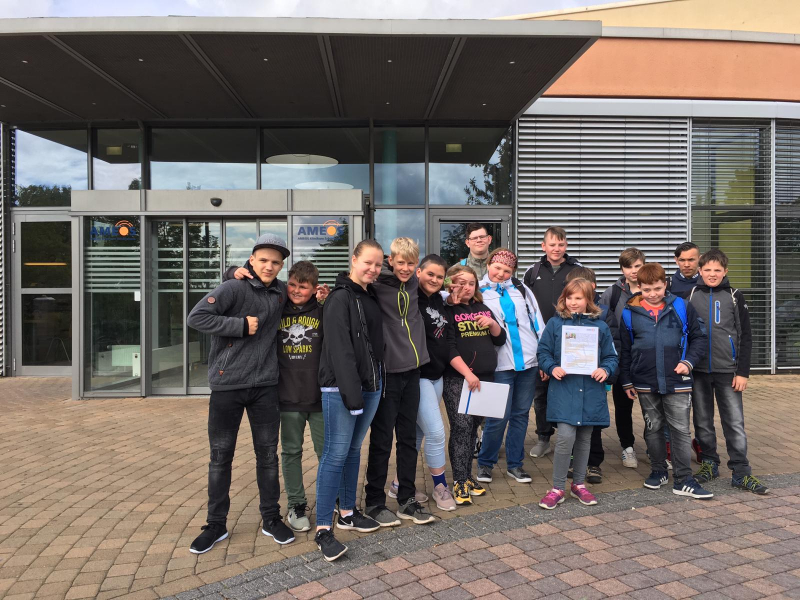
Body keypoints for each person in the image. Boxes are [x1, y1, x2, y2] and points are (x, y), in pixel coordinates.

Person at [186, 233, 294, 554]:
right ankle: (215, 525)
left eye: (276, 262)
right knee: (220, 458)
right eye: (263, 260)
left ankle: (271, 519)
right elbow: (196, 317)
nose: (269, 266)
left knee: (268, 457)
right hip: (227, 386)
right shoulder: (234, 287)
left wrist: (322, 294)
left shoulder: (281, 292)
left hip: (265, 387)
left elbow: (303, 299)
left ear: (281, 266)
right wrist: (239, 326)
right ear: (252, 260)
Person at [314, 239, 385, 562]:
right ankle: (322, 529)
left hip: (371, 386)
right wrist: (352, 394)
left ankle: (347, 512)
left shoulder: (370, 295)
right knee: (335, 454)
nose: (373, 269)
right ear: (353, 260)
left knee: (354, 450)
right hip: (342, 390)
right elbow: (339, 349)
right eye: (368, 262)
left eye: (378, 264)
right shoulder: (339, 298)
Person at [620, 263, 713, 499]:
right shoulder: (629, 312)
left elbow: (699, 338)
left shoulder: (682, 306)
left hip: (677, 380)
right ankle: (658, 470)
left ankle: (683, 479)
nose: (653, 294)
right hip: (645, 380)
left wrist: (688, 362)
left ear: (666, 285)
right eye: (647, 289)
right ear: (639, 287)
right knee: (653, 429)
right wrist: (627, 380)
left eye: (658, 288)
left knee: (680, 430)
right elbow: (625, 350)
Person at [364, 238, 436, 527]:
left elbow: (450, 278)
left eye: (411, 263)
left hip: (413, 371)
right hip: (388, 372)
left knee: (408, 439)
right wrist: (238, 272)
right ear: (390, 261)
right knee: (382, 440)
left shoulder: (416, 284)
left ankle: (407, 499)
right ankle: (374, 502)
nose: (405, 268)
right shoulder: (376, 285)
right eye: (400, 262)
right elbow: (349, 282)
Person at [688, 249, 768, 494]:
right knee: (702, 421)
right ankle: (709, 463)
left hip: (728, 372)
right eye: (707, 270)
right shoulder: (690, 295)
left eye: (717, 270)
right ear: (700, 271)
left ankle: (741, 472)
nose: (712, 274)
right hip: (698, 371)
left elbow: (746, 336)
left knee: (734, 422)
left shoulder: (734, 296)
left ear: (725, 272)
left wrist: (742, 372)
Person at [537, 278, 618, 509]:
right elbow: (542, 352)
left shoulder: (600, 327)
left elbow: (611, 357)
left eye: (578, 298)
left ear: (588, 300)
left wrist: (605, 369)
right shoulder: (555, 324)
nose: (573, 302)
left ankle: (579, 484)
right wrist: (551, 367)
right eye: (569, 297)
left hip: (591, 392)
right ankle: (557, 488)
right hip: (564, 391)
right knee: (565, 438)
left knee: (584, 439)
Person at [387, 254, 457, 511]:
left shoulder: (438, 299)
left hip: (437, 376)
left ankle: (398, 484)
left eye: (440, 276)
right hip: (418, 376)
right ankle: (440, 486)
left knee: (417, 433)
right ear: (418, 272)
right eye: (430, 274)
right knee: (436, 433)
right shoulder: (408, 295)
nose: (435, 280)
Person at [475, 248, 545, 484]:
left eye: (507, 270)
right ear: (488, 265)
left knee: (521, 415)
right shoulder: (478, 291)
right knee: (497, 416)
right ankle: (485, 463)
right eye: (497, 268)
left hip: (528, 361)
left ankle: (515, 465)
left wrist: (543, 356)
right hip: (499, 364)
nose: (501, 274)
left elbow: (537, 321)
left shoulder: (521, 289)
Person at [442, 264, 507, 505]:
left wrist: (492, 324)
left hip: (485, 378)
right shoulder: (447, 309)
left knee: (472, 429)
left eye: (471, 283)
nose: (467, 288)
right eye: (461, 283)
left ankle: (468, 476)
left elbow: (500, 339)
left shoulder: (482, 307)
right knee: (461, 426)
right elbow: (448, 347)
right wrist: (467, 374)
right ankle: (459, 481)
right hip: (458, 378)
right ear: (450, 284)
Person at [523, 226, 582, 458]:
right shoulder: (532, 272)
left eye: (561, 244)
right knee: (541, 393)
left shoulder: (577, 270)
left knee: (570, 390)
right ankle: (543, 438)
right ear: (543, 246)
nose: (556, 249)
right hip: (542, 341)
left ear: (566, 246)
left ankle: (572, 440)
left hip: (572, 341)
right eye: (552, 244)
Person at [565, 267, 619, 484]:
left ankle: (593, 462)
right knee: (569, 420)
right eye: (571, 294)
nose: (574, 300)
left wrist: (607, 373)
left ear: (592, 290)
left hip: (594, 379)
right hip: (569, 379)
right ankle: (573, 459)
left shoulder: (604, 314)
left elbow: (615, 345)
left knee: (592, 422)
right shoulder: (561, 317)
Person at [599, 247, 646, 469]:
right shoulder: (613, 293)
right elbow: (602, 322)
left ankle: (656, 447)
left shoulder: (654, 290)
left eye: (638, 266)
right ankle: (627, 447)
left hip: (647, 359)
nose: (634, 271)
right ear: (622, 269)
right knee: (623, 407)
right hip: (622, 358)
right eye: (629, 267)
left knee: (652, 407)